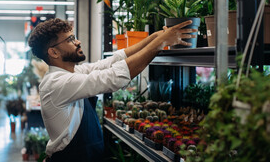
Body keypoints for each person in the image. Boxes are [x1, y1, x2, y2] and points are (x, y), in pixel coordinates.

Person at [28, 18, 197, 162]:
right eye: (70, 39)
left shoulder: (73, 72)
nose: (77, 42)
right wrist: (161, 43)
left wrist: (155, 37)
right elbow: (114, 77)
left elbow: (113, 61)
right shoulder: (57, 83)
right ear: (54, 52)